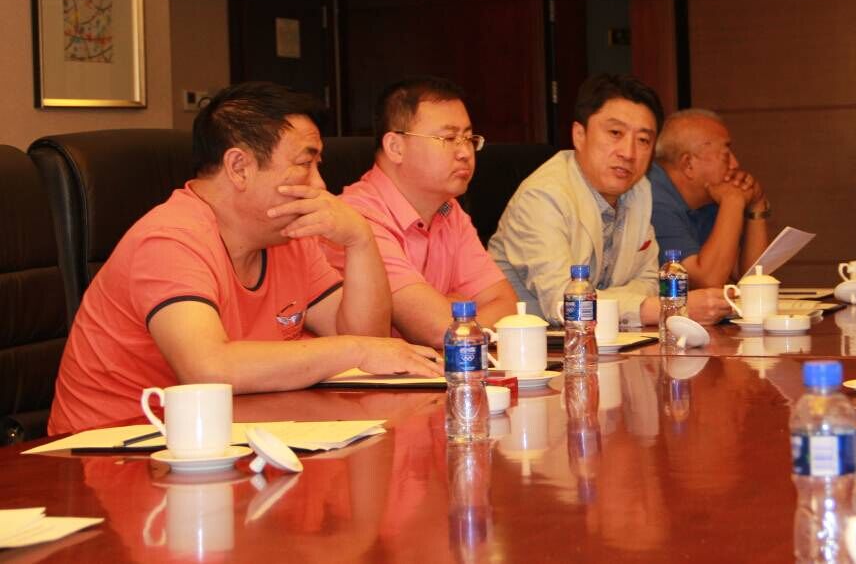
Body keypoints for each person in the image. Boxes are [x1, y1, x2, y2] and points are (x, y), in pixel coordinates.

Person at [49, 82, 440, 435]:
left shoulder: (289, 235)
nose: (320, 184)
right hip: (111, 452)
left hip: (226, 438)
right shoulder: (169, 239)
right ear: (239, 167)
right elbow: (208, 368)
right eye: (305, 164)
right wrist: (356, 350)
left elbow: (365, 339)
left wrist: (359, 240)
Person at [488, 74, 732, 328]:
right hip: (534, 346)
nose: (628, 153)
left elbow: (649, 281)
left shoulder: (638, 190)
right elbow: (566, 304)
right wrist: (668, 308)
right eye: (615, 133)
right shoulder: (542, 197)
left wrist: (608, 301)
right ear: (579, 135)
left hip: (611, 340)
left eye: (643, 140)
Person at [325, 77, 517, 349]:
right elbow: (439, 330)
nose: (465, 152)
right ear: (395, 147)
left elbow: (507, 307)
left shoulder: (449, 210)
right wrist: (454, 305)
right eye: (449, 138)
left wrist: (452, 313)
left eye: (469, 138)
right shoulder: (357, 218)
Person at [649, 109, 771, 288]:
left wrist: (756, 205)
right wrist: (732, 201)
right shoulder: (652, 199)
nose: (735, 164)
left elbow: (752, 278)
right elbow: (706, 280)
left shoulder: (707, 200)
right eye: (726, 155)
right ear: (688, 164)